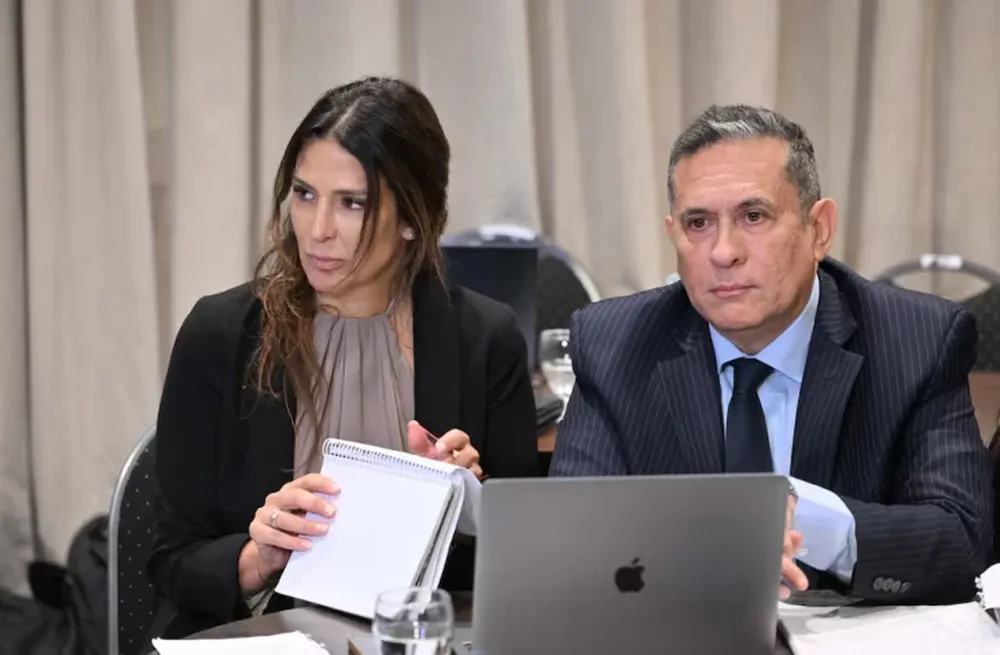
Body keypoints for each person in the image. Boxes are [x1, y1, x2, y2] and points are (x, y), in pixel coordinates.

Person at [550, 104, 993, 604]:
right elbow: (571, 539)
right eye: (698, 223)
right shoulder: (614, 343)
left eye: (753, 216)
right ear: (673, 233)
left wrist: (804, 520)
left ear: (818, 229)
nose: (723, 252)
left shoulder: (917, 339)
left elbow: (962, 543)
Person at [147, 77, 538, 638]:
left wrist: (467, 504)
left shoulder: (484, 339)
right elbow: (169, 560)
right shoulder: (222, 334)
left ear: (412, 219)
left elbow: (521, 567)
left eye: (351, 203)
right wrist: (259, 558)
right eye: (304, 195)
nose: (317, 230)